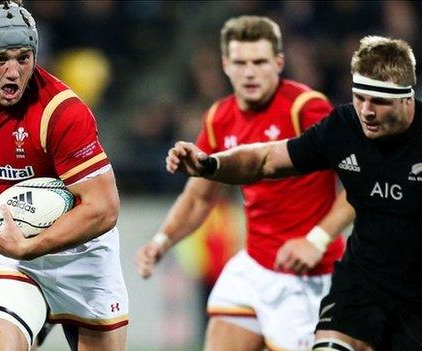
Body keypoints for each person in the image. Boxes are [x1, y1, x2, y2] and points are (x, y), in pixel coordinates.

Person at [166, 35, 422, 351]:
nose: (366, 111)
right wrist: (210, 164)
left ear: (407, 98)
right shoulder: (344, 127)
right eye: (359, 97)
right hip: (361, 287)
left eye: (379, 101)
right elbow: (265, 159)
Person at [0, 1, 128, 351]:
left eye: (23, 57)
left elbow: (104, 207)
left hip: (82, 254)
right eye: (1, 59)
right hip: (4, 254)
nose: (13, 71)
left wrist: (32, 246)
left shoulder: (61, 112)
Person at [136, 16, 355, 351]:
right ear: (226, 65)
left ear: (279, 63)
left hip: (309, 277)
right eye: (240, 62)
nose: (249, 72)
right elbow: (199, 198)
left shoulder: (306, 109)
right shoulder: (220, 117)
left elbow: (361, 183)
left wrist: (316, 239)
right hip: (252, 266)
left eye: (259, 62)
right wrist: (161, 241)